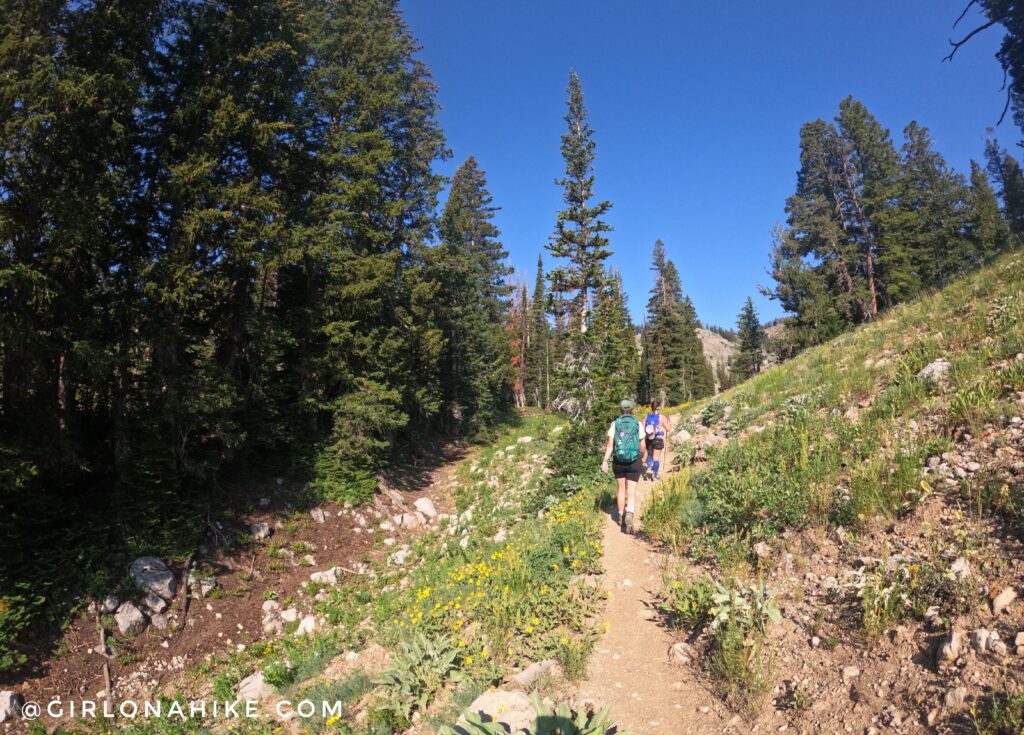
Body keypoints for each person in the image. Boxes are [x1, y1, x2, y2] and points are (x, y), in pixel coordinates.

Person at [601, 399, 646, 533]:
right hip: (634, 461)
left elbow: (610, 446)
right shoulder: (637, 423)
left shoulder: (615, 424)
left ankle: (620, 516)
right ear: (632, 410)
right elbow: (642, 446)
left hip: (618, 461)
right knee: (631, 491)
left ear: (621, 410)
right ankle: (629, 515)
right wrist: (642, 458)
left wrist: (605, 461)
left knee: (621, 489)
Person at [643, 401, 672, 480]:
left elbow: (642, 428)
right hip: (658, 439)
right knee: (656, 457)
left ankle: (649, 468)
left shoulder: (647, 417)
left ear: (651, 407)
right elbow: (668, 429)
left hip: (649, 439)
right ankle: (655, 475)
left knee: (649, 454)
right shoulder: (662, 417)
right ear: (658, 408)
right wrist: (669, 423)